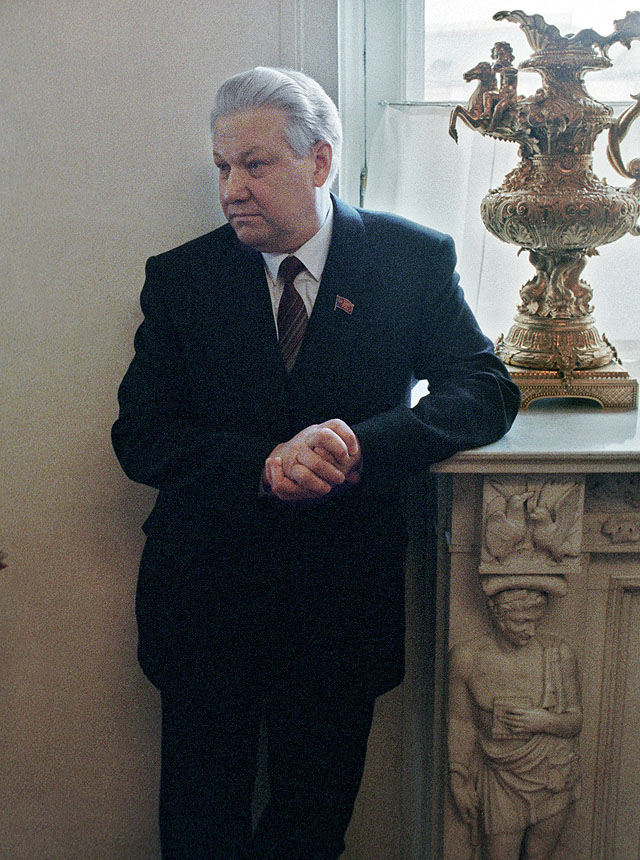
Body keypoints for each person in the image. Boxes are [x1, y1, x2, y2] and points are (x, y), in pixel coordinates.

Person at [112, 66, 520, 859]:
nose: (231, 188)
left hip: (340, 601)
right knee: (199, 831)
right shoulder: (181, 279)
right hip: (206, 603)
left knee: (311, 830)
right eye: (222, 167)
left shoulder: (410, 260)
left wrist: (368, 446)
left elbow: (485, 388)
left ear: (320, 161)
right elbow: (142, 434)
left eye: (254, 165)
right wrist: (263, 465)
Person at [448, 586, 582, 860]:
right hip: (500, 777)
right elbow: (461, 722)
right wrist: (458, 779)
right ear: (497, 615)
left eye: (536, 621)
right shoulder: (467, 658)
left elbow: (575, 721)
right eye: (521, 622)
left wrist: (543, 721)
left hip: (551, 772)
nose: (530, 631)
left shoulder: (558, 654)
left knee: (538, 855)